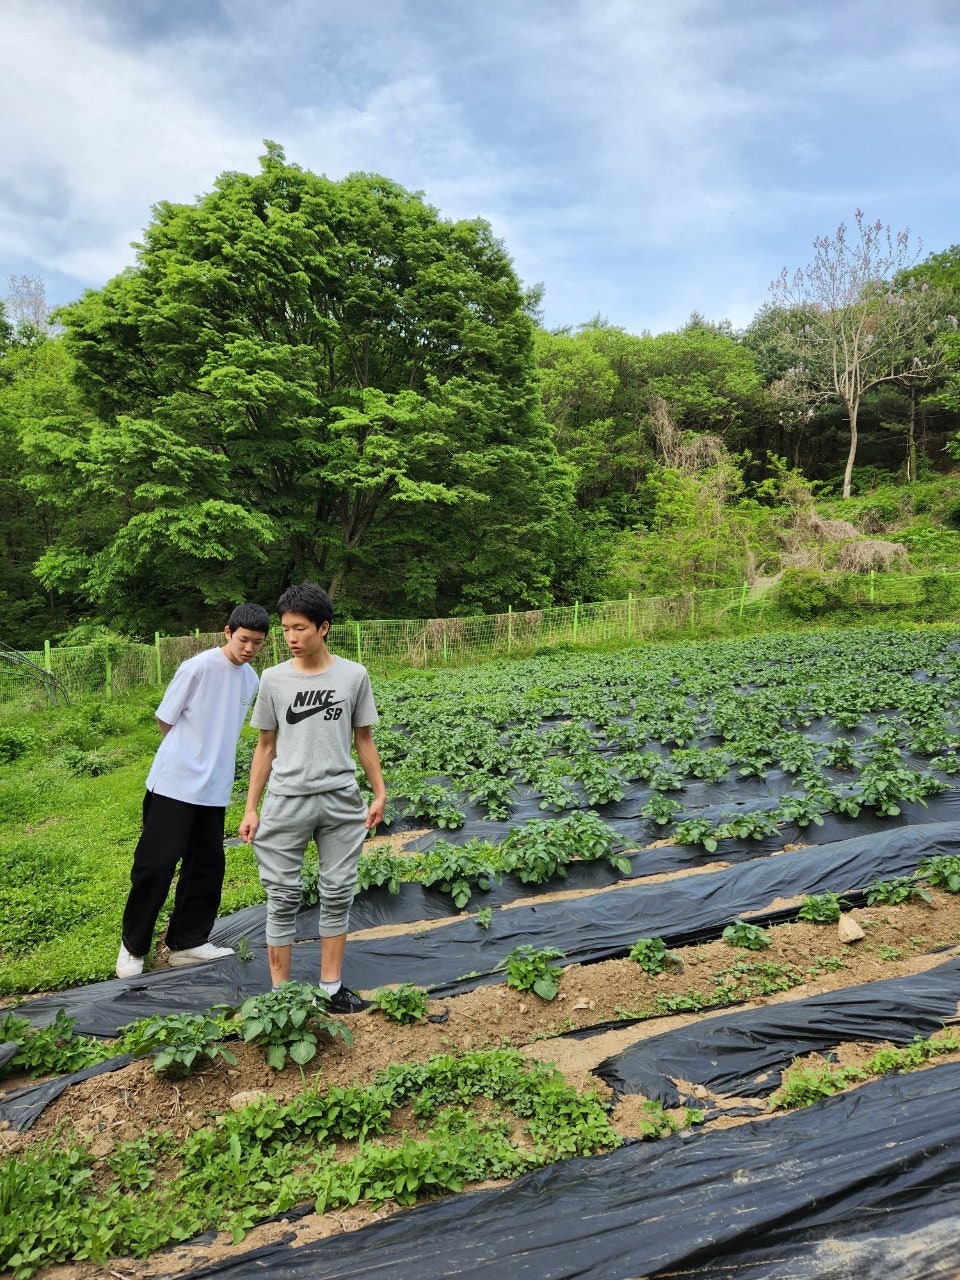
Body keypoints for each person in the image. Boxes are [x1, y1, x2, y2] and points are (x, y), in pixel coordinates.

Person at [238, 582, 386, 1013]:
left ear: (323, 628)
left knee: (338, 891)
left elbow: (364, 739)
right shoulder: (273, 679)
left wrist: (379, 792)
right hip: (287, 801)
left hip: (341, 800)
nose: (290, 637)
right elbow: (265, 746)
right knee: (282, 895)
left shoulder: (353, 675)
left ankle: (331, 987)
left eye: (299, 628)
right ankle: (281, 996)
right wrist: (251, 807)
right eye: (285, 629)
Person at [116, 603, 270, 978]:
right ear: (227, 632)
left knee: (207, 867)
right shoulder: (197, 667)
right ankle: (133, 946)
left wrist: (211, 766)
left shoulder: (251, 679)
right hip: (175, 783)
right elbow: (165, 719)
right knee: (156, 864)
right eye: (244, 639)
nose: (249, 648)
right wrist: (190, 757)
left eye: (258, 643)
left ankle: (187, 943)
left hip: (214, 790)